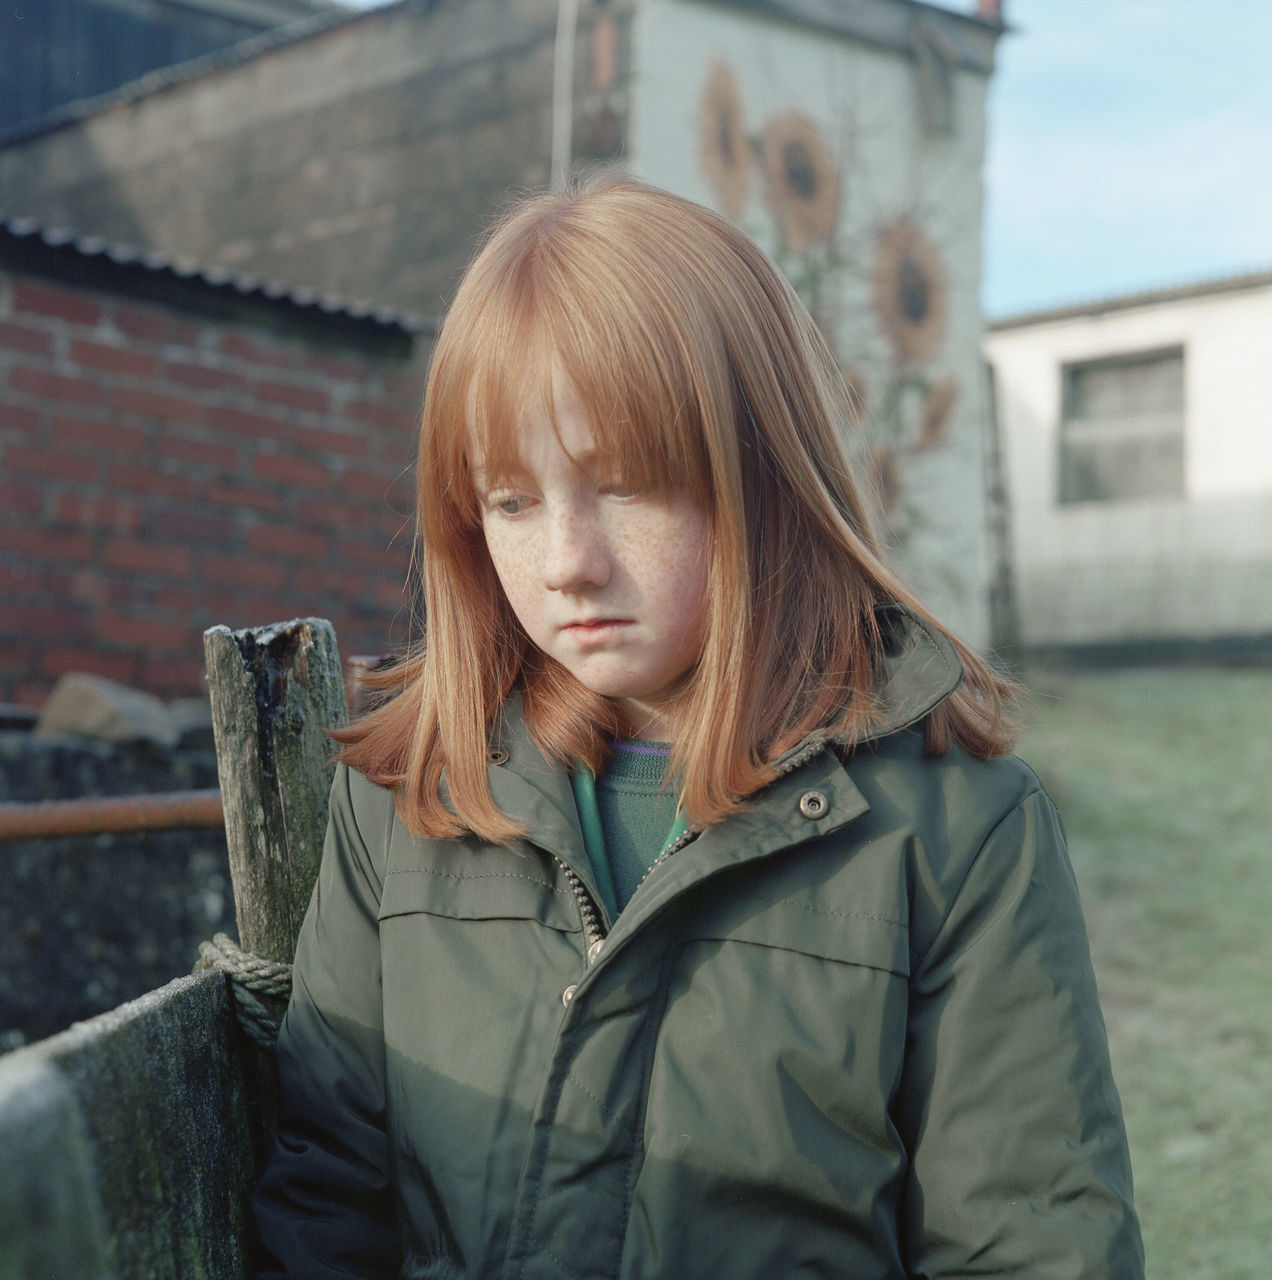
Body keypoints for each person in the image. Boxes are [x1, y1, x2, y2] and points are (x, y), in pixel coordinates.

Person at [253, 179, 1143, 1279]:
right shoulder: (406, 799)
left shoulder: (958, 834)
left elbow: (1034, 1243)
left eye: (625, 484)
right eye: (512, 499)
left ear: (763, 474)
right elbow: (328, 1199)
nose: (566, 557)